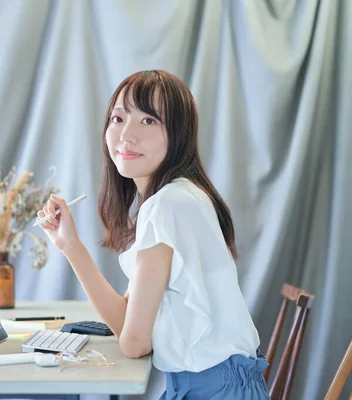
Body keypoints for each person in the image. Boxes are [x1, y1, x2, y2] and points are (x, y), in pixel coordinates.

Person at [36, 70, 270, 399]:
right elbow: (129, 324)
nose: (126, 135)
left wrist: (72, 248)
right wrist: (69, 245)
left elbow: (134, 343)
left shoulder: (168, 205)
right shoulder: (177, 196)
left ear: (179, 135)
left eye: (148, 121)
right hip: (213, 384)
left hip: (216, 390)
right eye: (118, 118)